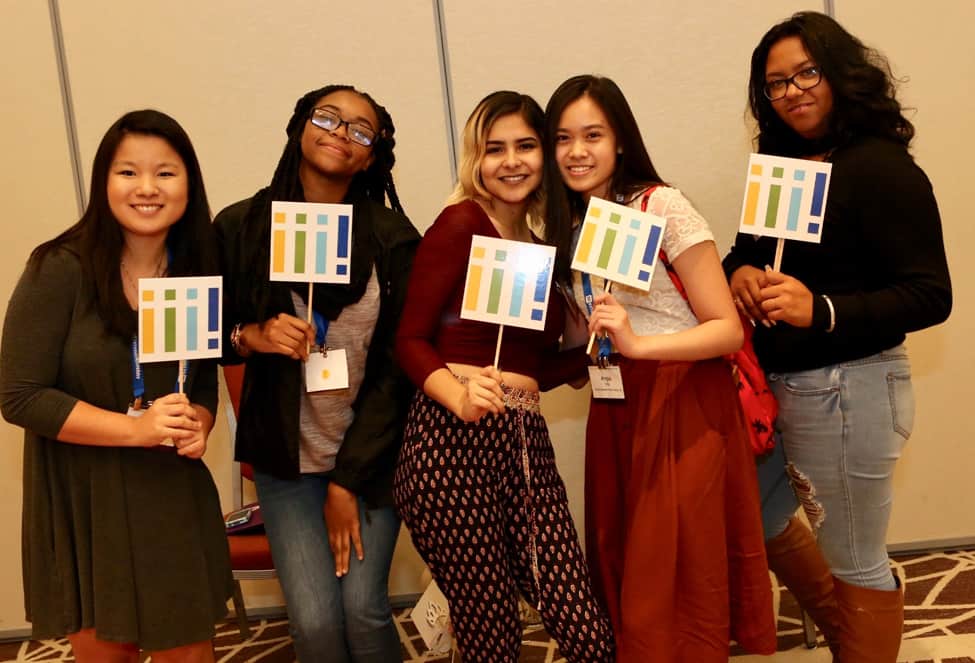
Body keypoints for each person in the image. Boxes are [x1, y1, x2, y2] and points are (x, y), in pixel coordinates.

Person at [723, 11, 952, 661]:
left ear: (840, 74)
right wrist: (738, 273)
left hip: (849, 389)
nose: (791, 91)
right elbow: (746, 251)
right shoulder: (781, 163)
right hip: (774, 388)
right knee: (760, 515)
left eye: (806, 73)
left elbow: (930, 295)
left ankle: (859, 637)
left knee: (855, 556)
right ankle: (841, 628)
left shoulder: (879, 168)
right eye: (775, 83)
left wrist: (817, 308)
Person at [543, 75, 777, 662]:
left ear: (620, 140)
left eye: (592, 134)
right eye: (563, 138)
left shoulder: (660, 205)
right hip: (615, 405)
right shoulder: (570, 224)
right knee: (624, 560)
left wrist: (638, 346)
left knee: (675, 573)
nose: (577, 151)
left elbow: (725, 326)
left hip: (682, 403)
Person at [0, 110, 230, 662]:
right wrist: (136, 430)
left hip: (170, 495)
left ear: (189, 184)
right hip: (85, 496)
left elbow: (200, 385)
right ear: (104, 181)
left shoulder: (195, 273)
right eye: (128, 172)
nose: (147, 188)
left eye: (165, 173)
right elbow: (19, 394)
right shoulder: (59, 268)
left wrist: (198, 422)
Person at [394, 90, 615, 663]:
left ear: (544, 155)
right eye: (495, 149)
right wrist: (460, 396)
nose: (511, 161)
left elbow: (534, 369)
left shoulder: (540, 250)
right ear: (475, 159)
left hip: (525, 442)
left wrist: (597, 348)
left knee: (575, 606)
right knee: (490, 626)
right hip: (449, 443)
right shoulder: (459, 224)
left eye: (525, 145)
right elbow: (409, 340)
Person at [215, 84, 419, 663]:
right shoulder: (240, 228)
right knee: (316, 623)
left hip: (370, 460)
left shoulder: (393, 239)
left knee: (362, 612)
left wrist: (346, 481)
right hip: (286, 464)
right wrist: (249, 336)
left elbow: (398, 372)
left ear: (373, 155)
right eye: (327, 117)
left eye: (361, 130)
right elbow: (207, 336)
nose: (341, 134)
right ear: (300, 125)